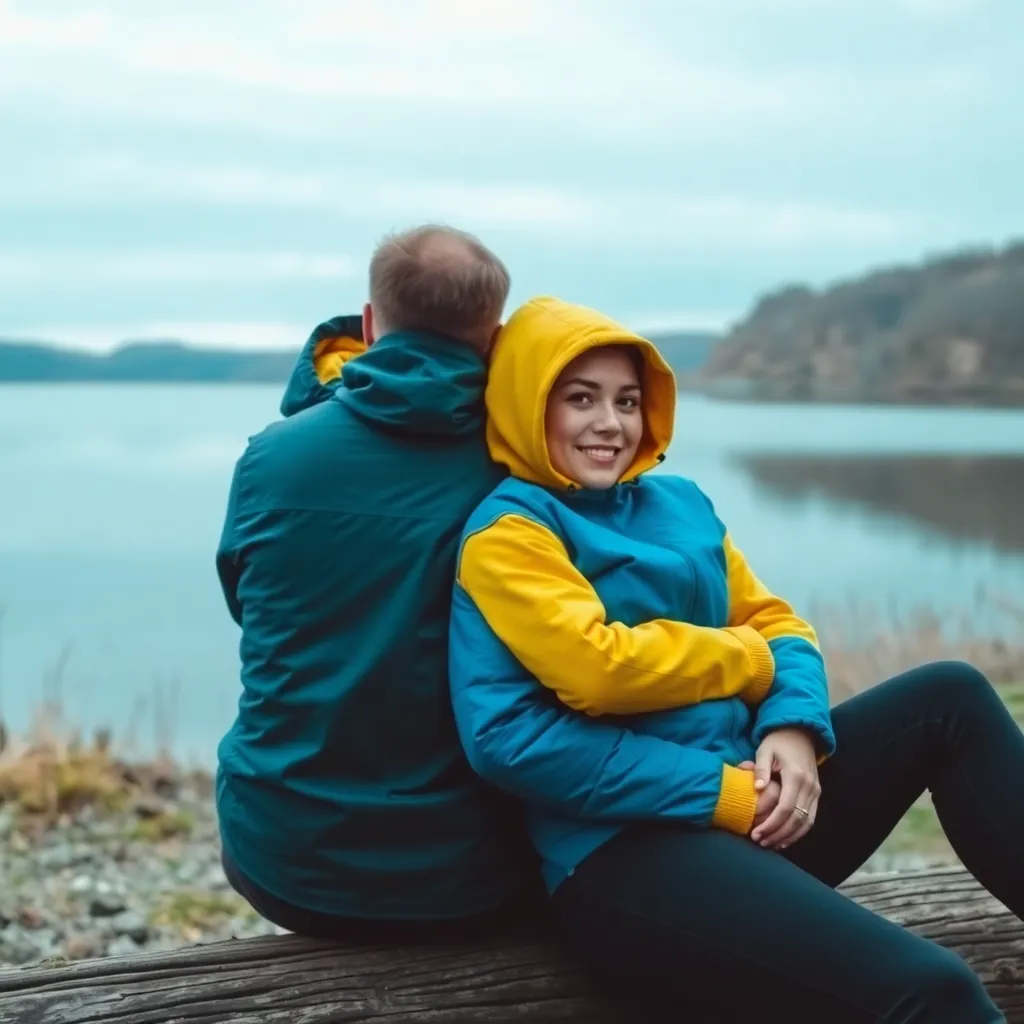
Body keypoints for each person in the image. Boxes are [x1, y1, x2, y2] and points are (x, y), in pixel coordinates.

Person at [449, 295, 1023, 1022]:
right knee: (933, 990)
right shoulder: (511, 535)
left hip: (759, 813)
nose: (611, 424)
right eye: (580, 399)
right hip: (627, 862)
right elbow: (584, 686)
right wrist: (726, 774)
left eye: (628, 401)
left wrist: (795, 731)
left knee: (949, 696)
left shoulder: (679, 502)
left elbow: (779, 622)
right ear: (528, 404)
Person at [214, 224, 539, 939]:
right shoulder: (529, 468)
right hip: (479, 875)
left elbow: (249, 603)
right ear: (496, 338)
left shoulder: (271, 459)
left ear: (369, 324)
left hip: (283, 861)